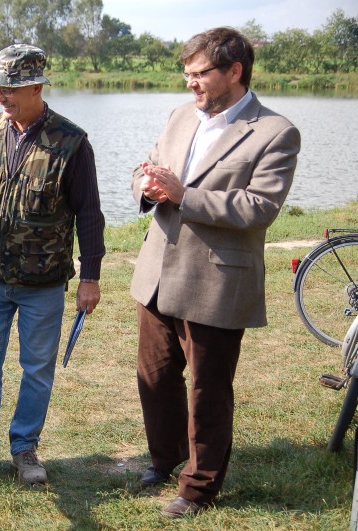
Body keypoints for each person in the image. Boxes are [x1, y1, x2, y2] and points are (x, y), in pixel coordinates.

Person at [130, 27, 300, 518]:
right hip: (158, 272)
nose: (191, 85)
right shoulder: (181, 116)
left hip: (216, 281)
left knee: (207, 388)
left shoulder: (276, 131)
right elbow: (151, 169)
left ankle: (199, 487)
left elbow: (258, 207)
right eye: (187, 75)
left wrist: (184, 195)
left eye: (200, 74)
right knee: (155, 377)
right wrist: (147, 185)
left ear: (234, 71)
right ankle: (164, 460)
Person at [0, 44, 105, 484]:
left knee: (36, 368)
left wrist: (90, 276)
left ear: (36, 87)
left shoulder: (72, 141)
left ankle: (25, 449)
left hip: (44, 282)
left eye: (10, 89)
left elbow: (89, 214)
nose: (0, 97)